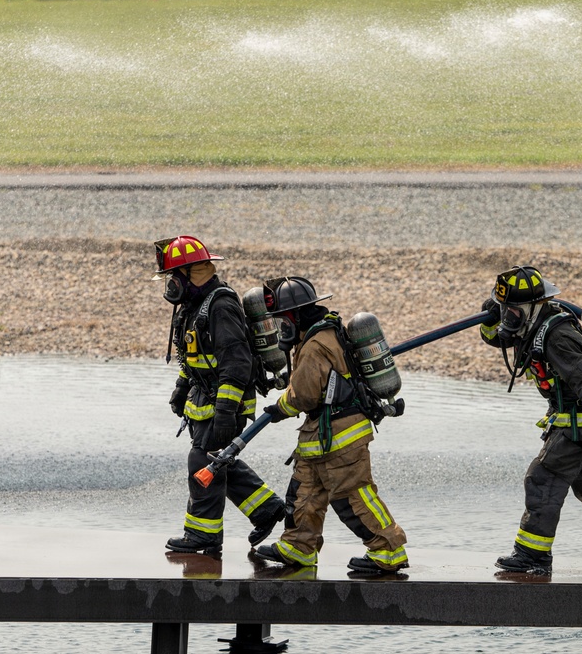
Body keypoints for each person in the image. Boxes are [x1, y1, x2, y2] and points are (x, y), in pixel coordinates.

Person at [480, 265, 582, 575]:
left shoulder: (557, 335)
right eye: (505, 308)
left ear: (532, 306)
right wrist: (491, 316)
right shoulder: (532, 323)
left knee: (541, 479)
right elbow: (499, 338)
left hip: (578, 423)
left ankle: (532, 555)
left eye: (512, 309)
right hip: (572, 419)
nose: (509, 315)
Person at [252, 276, 409, 575]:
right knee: (305, 491)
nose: (282, 328)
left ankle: (389, 550)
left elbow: (306, 395)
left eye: (283, 320)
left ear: (296, 315)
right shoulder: (322, 333)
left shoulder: (314, 345)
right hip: (322, 435)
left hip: (340, 436)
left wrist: (280, 407)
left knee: (353, 496)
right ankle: (298, 547)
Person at [154, 235, 285, 555]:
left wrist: (226, 410)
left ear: (191, 272)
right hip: (204, 398)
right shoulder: (194, 305)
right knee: (218, 460)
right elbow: (194, 354)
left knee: (202, 461)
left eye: (174, 276)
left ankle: (204, 534)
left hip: (225, 400)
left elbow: (237, 362)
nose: (171, 284)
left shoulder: (221, 304)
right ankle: (266, 508)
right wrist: (181, 388)